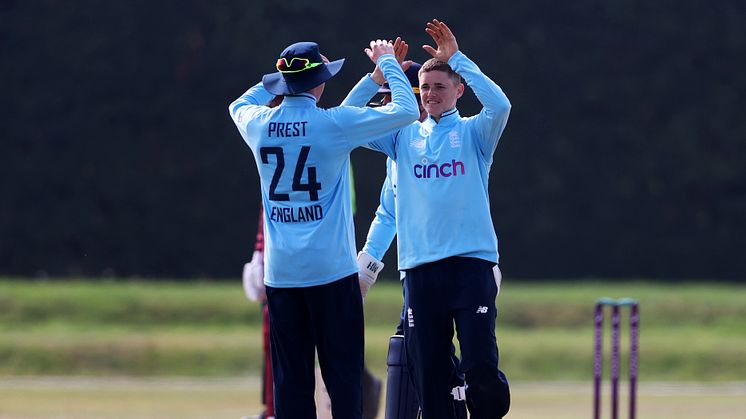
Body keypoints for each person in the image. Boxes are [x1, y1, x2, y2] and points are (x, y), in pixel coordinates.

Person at [229, 39, 419, 419]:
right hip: (331, 274)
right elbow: (406, 108)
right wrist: (388, 65)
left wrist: (279, 74)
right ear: (319, 82)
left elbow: (239, 102)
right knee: (344, 379)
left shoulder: (257, 123)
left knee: (290, 383)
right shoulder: (331, 125)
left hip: (281, 275)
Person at [347, 19, 512, 418]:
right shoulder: (402, 136)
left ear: (458, 91)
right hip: (420, 270)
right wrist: (376, 75)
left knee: (480, 368)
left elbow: (501, 105)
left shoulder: (475, 134)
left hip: (471, 266)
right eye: (426, 87)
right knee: (430, 375)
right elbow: (347, 117)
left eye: (441, 86)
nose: (432, 94)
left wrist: (457, 58)